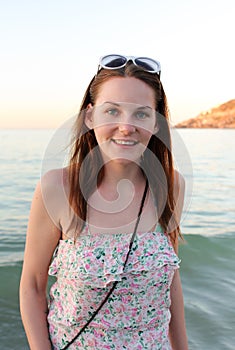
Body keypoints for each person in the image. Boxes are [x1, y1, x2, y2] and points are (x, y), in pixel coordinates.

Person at [20, 54, 188, 349]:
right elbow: (33, 287)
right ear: (90, 117)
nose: (126, 127)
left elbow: (171, 280)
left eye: (141, 114)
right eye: (112, 111)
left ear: (157, 122)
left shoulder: (171, 186)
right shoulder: (58, 188)